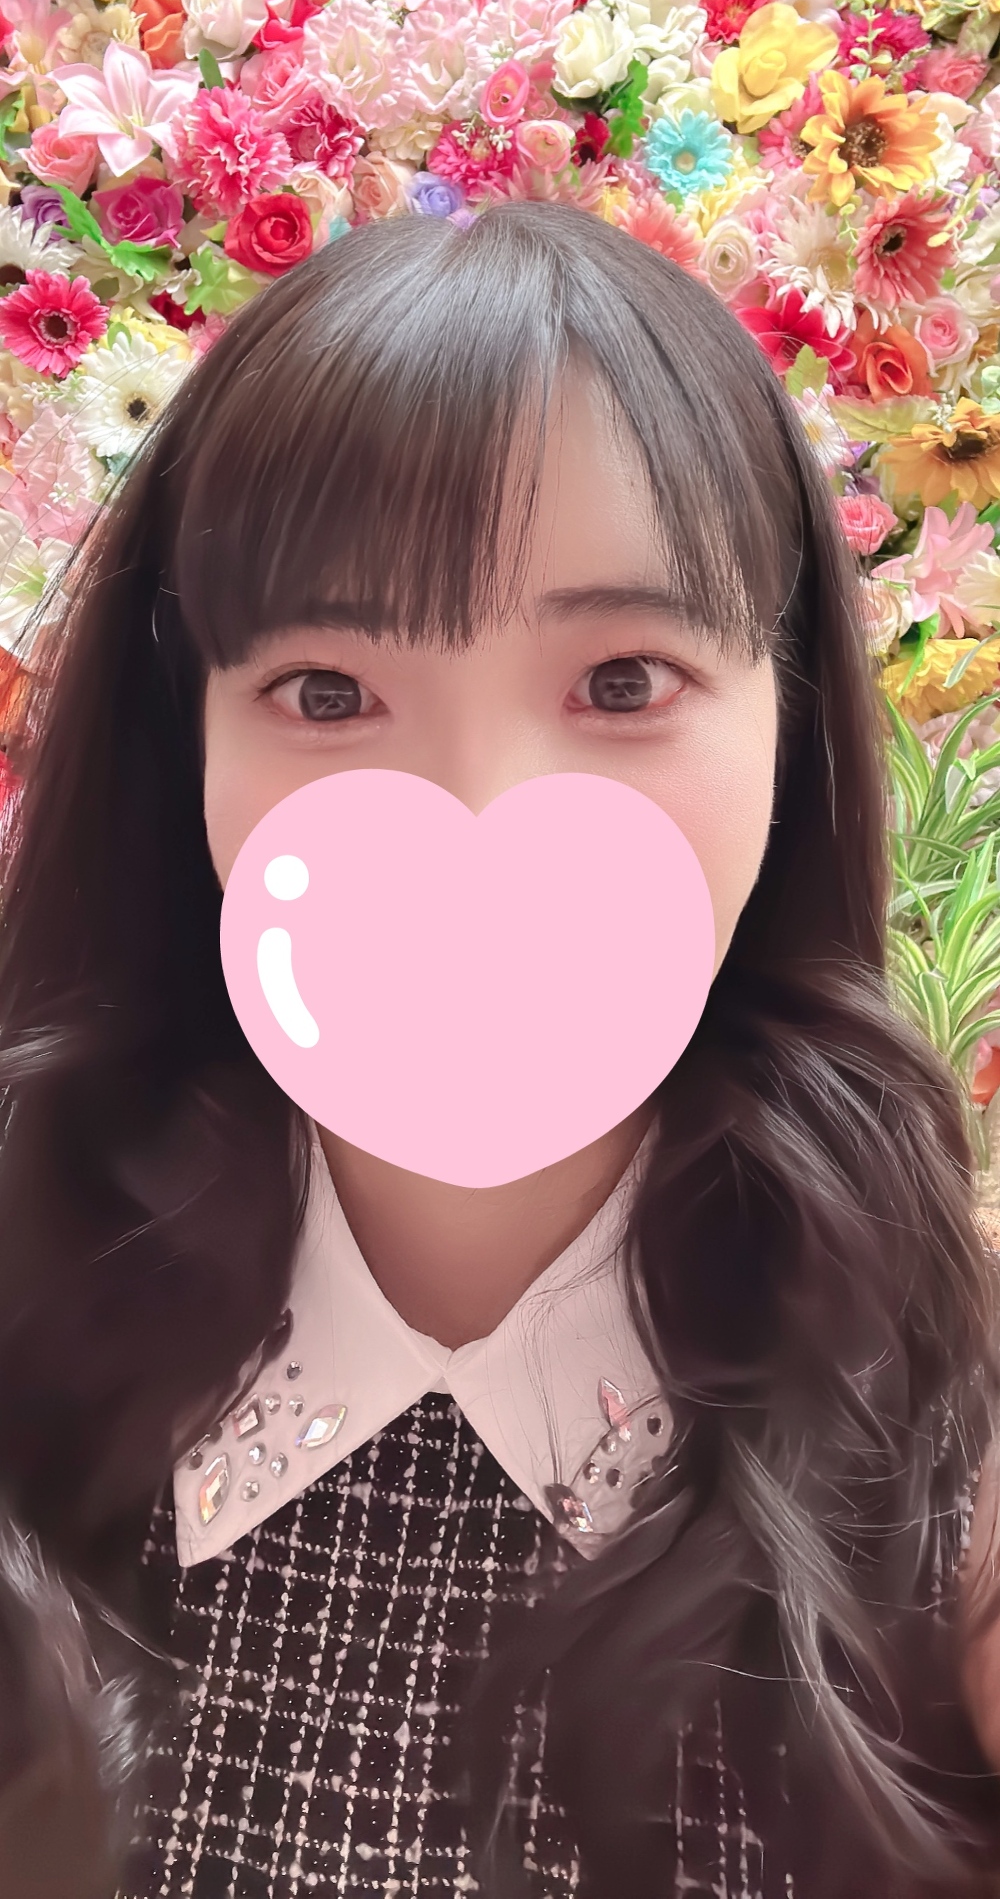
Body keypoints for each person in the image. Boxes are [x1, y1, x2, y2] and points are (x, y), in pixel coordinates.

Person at [0, 199, 999, 1899]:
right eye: (327, 693)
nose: (477, 813)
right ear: (192, 750)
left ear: (792, 722)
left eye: (623, 680)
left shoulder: (939, 1431)